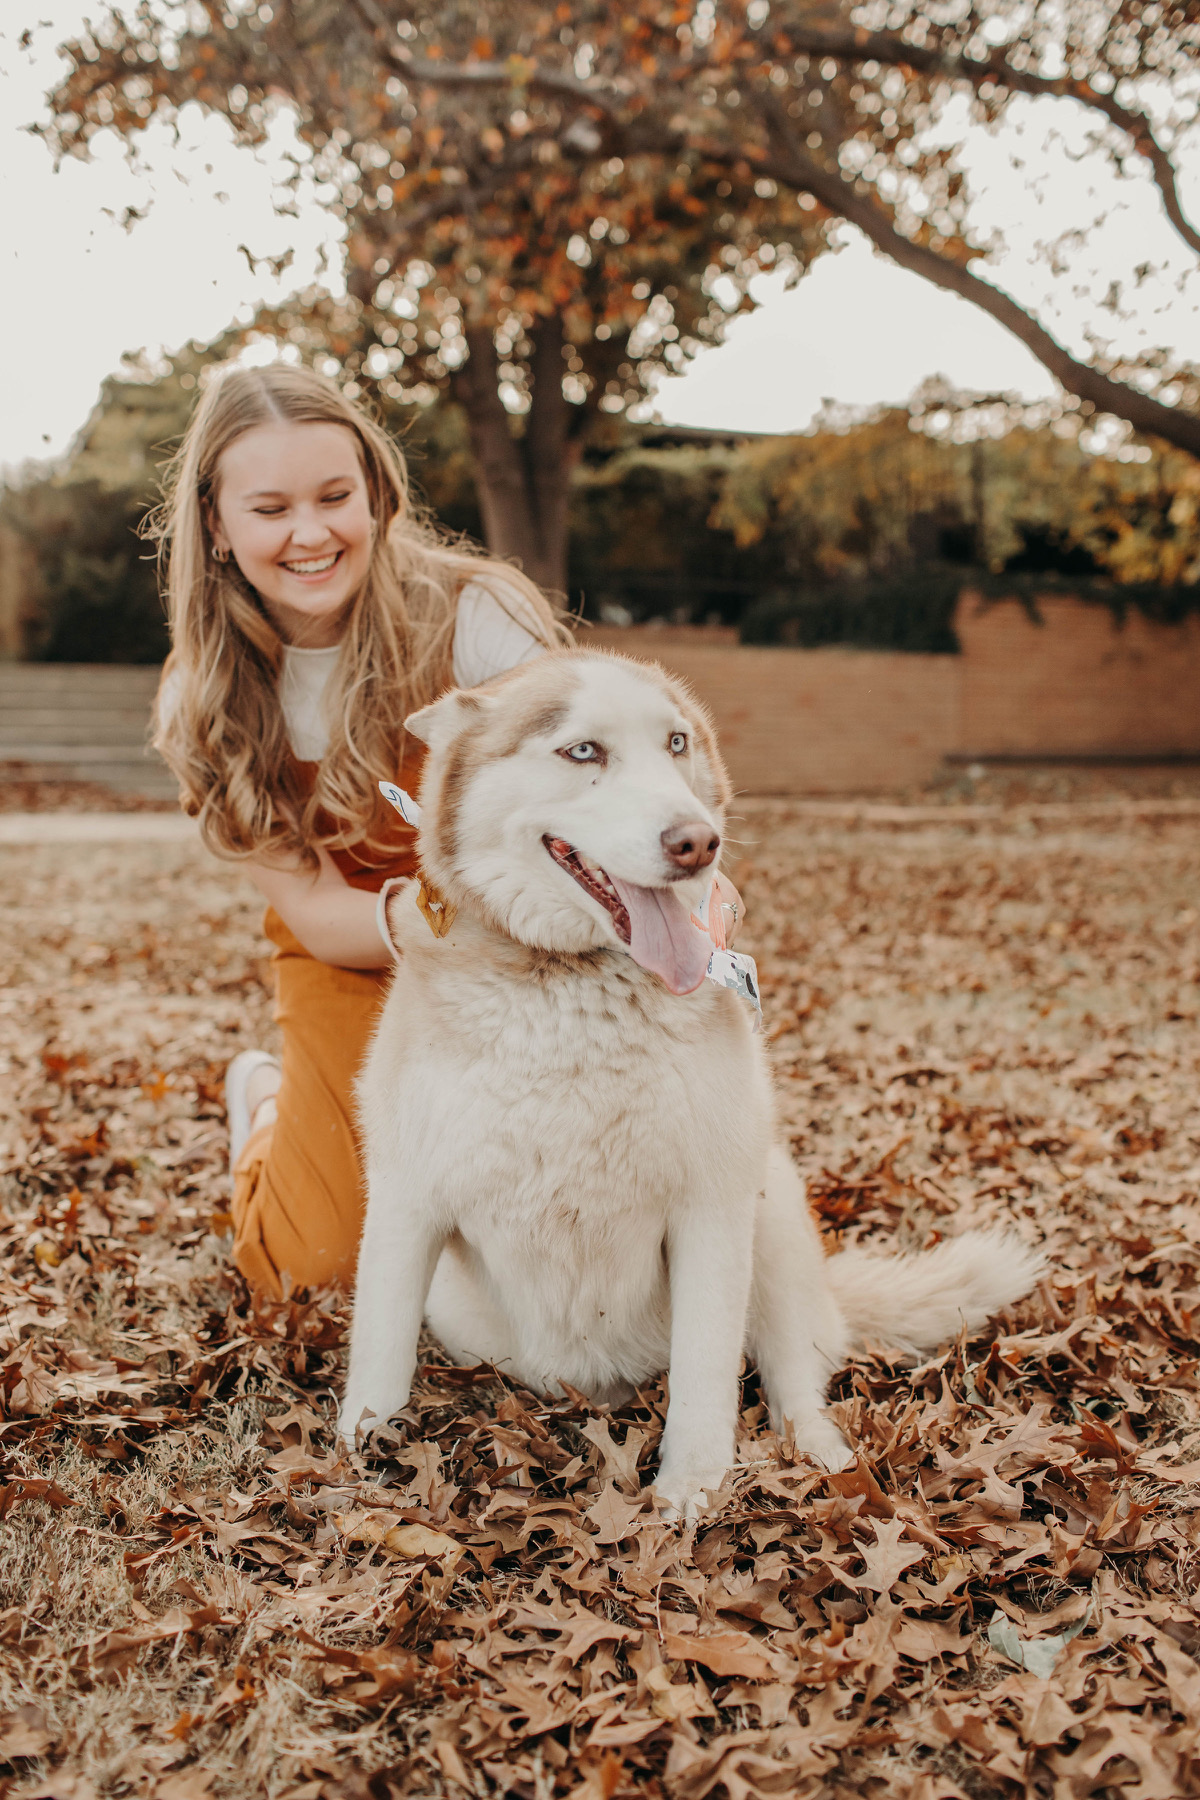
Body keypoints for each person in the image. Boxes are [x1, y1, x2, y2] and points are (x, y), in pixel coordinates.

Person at [151, 361, 567, 1297]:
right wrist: (437, 918)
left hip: (520, 948)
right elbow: (319, 912)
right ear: (216, 525)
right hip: (353, 954)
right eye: (269, 509)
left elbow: (590, 785)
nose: (311, 533)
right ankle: (264, 1104)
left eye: (335, 495)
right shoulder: (204, 695)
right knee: (322, 1270)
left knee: (539, 1245)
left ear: (376, 495)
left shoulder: (472, 614)